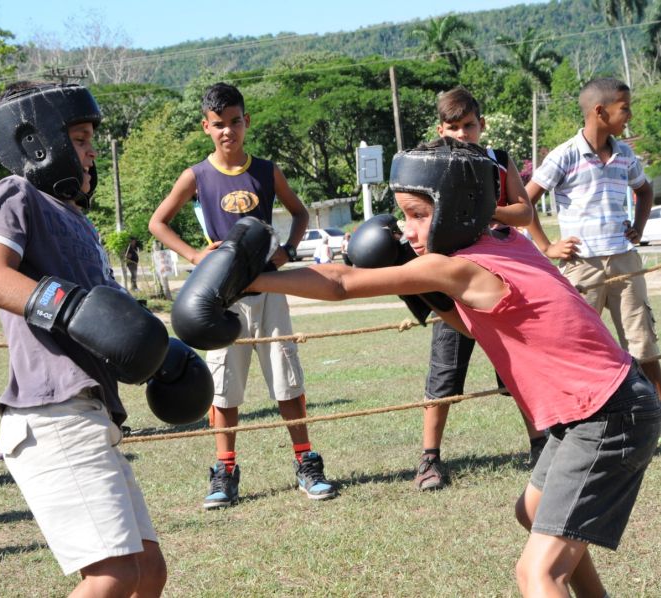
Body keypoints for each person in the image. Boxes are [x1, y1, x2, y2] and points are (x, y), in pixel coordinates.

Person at [208, 138, 658, 597]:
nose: (407, 231)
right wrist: (416, 283)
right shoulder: (504, 241)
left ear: (459, 208)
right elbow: (469, 326)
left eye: (420, 215)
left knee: (538, 574)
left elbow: (343, 282)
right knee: (533, 515)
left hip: (608, 414)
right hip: (594, 408)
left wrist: (248, 279)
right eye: (404, 216)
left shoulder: (459, 268)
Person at [0, 82, 198, 596]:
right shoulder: (16, 194)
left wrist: (163, 354)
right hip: (52, 416)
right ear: (35, 143)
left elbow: (112, 321)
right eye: (81, 138)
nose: (89, 153)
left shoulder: (80, 224)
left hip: (93, 414)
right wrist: (74, 309)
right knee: (111, 577)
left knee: (148, 572)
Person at [149, 81, 336, 509]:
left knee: (287, 377)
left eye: (235, 122)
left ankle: (306, 463)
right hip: (220, 296)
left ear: (246, 121)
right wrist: (196, 254)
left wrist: (287, 251)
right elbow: (158, 222)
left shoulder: (267, 170)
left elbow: (300, 212)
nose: (227, 131)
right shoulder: (195, 175)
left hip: (268, 288)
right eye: (218, 125)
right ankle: (225, 471)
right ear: (206, 127)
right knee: (223, 386)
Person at [411, 86, 545, 491]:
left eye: (469, 126)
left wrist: (486, 210)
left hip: (500, 279)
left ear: (481, 125)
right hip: (453, 279)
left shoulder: (498, 161)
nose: (462, 134)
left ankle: (540, 444)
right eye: (453, 127)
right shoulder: (430, 164)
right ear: (441, 129)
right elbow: (416, 215)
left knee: (519, 365)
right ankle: (428, 459)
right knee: (444, 372)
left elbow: (524, 211)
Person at [525, 77, 661, 399]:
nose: (629, 115)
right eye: (624, 108)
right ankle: (578, 419)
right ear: (600, 111)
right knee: (577, 345)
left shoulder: (625, 155)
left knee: (643, 344)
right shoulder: (564, 156)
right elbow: (526, 201)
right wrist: (547, 246)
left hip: (625, 262)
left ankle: (655, 416)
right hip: (581, 265)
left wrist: (638, 229)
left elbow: (644, 190)